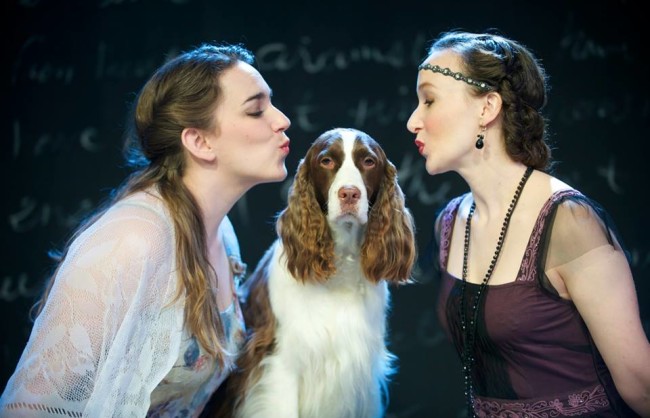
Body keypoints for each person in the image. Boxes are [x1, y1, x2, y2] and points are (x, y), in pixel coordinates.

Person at [0, 42, 291, 417]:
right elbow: (30, 411)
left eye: (272, 103)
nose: (281, 119)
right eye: (256, 110)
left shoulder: (222, 234)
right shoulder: (132, 242)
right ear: (199, 141)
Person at [407, 30, 650, 417]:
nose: (413, 121)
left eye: (429, 101)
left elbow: (640, 382)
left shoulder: (569, 222)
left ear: (487, 108)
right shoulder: (450, 225)